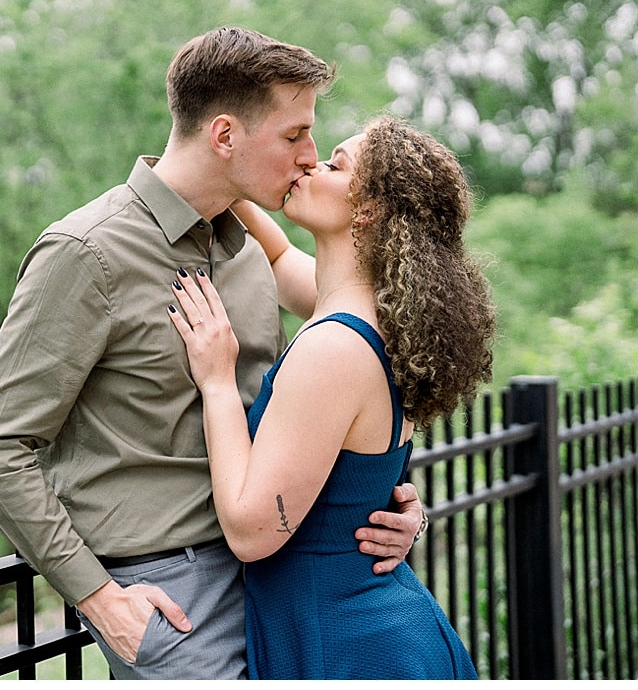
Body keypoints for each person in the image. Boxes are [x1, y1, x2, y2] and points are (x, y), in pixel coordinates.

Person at [0, 28, 426, 680]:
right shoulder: (87, 253)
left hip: (276, 582)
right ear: (225, 136)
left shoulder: (249, 252)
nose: (309, 157)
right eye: (294, 136)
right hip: (175, 600)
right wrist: (99, 598)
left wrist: (385, 499)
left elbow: (334, 395)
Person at [167, 115, 494, 679]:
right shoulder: (375, 318)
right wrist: (221, 167)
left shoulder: (335, 349)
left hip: (349, 649)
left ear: (367, 210)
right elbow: (275, 258)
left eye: (335, 165)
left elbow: (250, 531)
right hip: (371, 628)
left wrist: (218, 382)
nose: (310, 163)